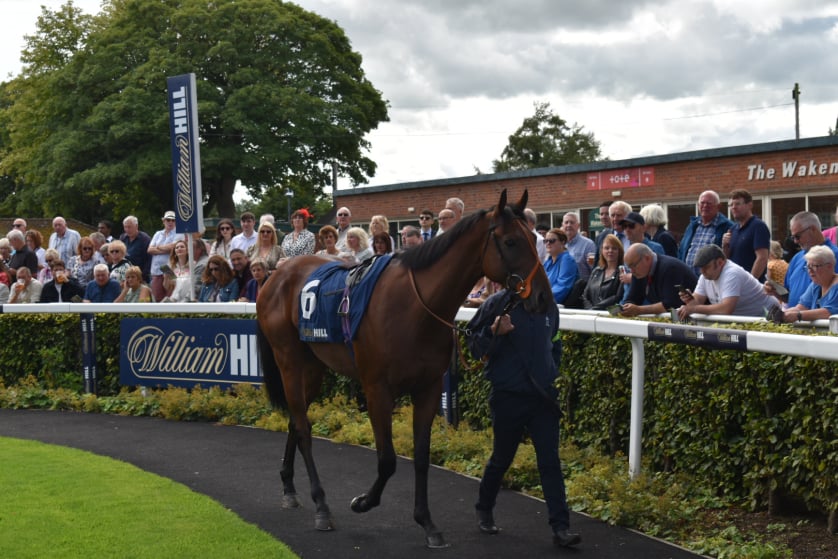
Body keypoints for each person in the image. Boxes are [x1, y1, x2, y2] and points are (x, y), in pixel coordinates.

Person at [465, 289, 581, 549]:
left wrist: (551, 371)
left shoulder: (548, 305)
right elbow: (473, 347)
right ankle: (484, 508)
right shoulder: (497, 304)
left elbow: (556, 342)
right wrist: (494, 332)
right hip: (508, 397)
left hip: (543, 398)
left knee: (550, 462)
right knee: (501, 459)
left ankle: (561, 528)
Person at [677, 244, 780, 320]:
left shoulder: (732, 273)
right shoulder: (705, 276)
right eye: (700, 268)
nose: (702, 272)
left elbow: (726, 309)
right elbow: (697, 301)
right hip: (749, 318)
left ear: (720, 262)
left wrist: (694, 308)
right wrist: (690, 301)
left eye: (706, 267)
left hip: (767, 316)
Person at [765, 211, 838, 307]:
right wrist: (776, 292)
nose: (795, 241)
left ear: (813, 229)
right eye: (793, 237)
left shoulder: (834, 256)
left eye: (797, 236)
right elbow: (789, 296)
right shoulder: (797, 258)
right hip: (795, 318)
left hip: (820, 320)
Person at [621, 243, 697, 317]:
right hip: (677, 316)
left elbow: (670, 305)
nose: (632, 271)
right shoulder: (639, 272)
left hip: (694, 316)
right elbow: (632, 298)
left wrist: (639, 310)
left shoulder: (670, 268)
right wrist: (626, 308)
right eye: (629, 267)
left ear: (647, 258)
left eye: (633, 266)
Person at [677, 190, 733, 273]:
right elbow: (681, 251)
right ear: (698, 205)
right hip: (688, 279)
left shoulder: (727, 227)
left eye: (709, 203)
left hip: (712, 280)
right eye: (702, 203)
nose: (705, 206)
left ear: (718, 206)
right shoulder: (692, 226)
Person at [779, 245, 838, 322]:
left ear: (829, 266)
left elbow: (828, 313)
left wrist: (799, 315)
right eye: (808, 267)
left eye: (814, 266)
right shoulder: (816, 285)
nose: (810, 271)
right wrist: (782, 314)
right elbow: (801, 307)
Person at [722, 189, 770, 281]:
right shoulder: (732, 229)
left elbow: (762, 258)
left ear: (750, 205)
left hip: (751, 288)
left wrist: (750, 283)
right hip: (734, 283)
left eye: (738, 204)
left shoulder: (758, 226)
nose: (733, 207)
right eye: (731, 205)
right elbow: (726, 260)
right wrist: (725, 246)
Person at [148, 210, 184, 301]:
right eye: (168, 220)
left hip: (169, 268)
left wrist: (158, 247)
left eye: (173, 220)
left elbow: (173, 247)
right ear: (163, 221)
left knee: (170, 296)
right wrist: (165, 249)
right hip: (157, 269)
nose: (171, 222)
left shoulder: (179, 233)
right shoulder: (158, 233)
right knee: (157, 296)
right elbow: (149, 250)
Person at [582, 234, 624, 310]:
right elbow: (585, 295)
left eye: (614, 248)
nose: (610, 251)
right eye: (607, 248)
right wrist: (590, 310)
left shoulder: (622, 272)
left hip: (610, 315)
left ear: (619, 251)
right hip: (590, 314)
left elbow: (617, 297)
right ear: (602, 251)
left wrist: (595, 309)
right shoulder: (596, 271)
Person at [543, 228, 578, 305]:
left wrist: (542, 300)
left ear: (562, 242)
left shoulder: (567, 260)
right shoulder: (547, 262)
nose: (548, 243)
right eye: (545, 241)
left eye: (552, 241)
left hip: (559, 307)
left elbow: (562, 287)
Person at [561, 212, 595, 281]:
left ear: (578, 226)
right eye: (566, 222)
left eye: (572, 222)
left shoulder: (588, 244)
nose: (569, 225)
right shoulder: (559, 244)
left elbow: (594, 270)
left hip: (581, 289)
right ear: (562, 225)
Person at [119, 215, 152, 282]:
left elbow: (149, 259)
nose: (127, 229)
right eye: (125, 227)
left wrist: (143, 276)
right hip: (124, 274)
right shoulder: (123, 238)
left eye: (129, 227)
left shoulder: (145, 239)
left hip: (140, 275)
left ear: (136, 226)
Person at [161, 238, 192, 302]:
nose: (179, 248)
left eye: (182, 247)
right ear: (175, 252)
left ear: (187, 250)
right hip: (175, 299)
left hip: (188, 298)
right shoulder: (171, 267)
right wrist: (166, 278)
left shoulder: (193, 265)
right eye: (177, 247)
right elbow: (168, 288)